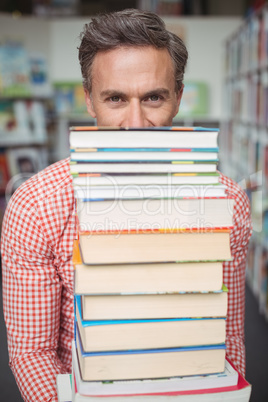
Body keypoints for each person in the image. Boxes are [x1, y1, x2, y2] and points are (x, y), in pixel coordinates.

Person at [1, 8, 252, 402]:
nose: (135, 123)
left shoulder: (229, 203)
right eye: (115, 98)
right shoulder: (36, 205)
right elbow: (33, 353)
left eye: (153, 97)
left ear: (179, 98)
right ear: (89, 101)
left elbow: (228, 336)